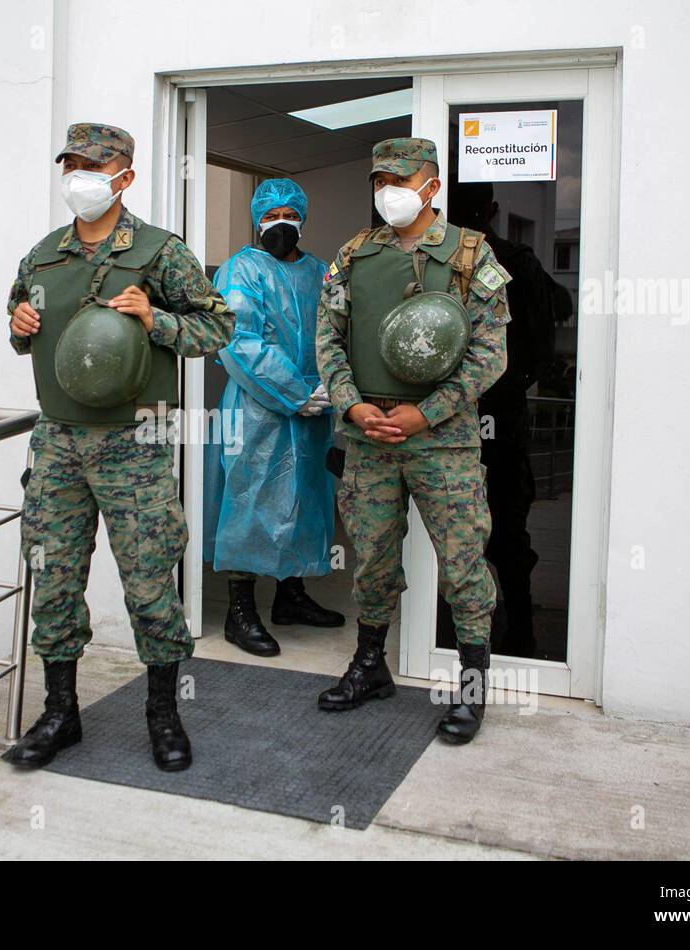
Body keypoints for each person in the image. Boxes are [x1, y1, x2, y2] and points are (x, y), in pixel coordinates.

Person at [5, 123, 234, 772]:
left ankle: (163, 715)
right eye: (71, 165)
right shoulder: (43, 256)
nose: (79, 177)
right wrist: (19, 325)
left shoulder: (160, 253)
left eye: (92, 166)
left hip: (135, 444)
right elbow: (20, 321)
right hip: (57, 445)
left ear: (124, 177)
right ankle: (60, 713)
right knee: (52, 577)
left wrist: (153, 319)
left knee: (148, 580)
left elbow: (217, 327)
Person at [315, 138, 511, 744]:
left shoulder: (470, 255)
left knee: (461, 561)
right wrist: (351, 403)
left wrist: (427, 414)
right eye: (379, 181)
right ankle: (370, 667)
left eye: (400, 181)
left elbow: (490, 354)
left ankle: (472, 689)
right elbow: (329, 340)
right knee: (372, 556)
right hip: (369, 436)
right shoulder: (353, 256)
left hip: (443, 441)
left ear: (431, 187)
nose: (387, 193)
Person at [203, 178, 343, 657]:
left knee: (307, 496)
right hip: (257, 407)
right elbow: (241, 343)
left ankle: (292, 596)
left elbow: (335, 333)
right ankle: (239, 612)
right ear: (256, 218)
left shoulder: (320, 272)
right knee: (251, 499)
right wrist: (295, 392)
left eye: (288, 213)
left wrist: (325, 391)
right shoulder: (241, 270)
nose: (279, 223)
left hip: (316, 405)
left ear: (302, 218)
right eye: (270, 214)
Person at [448, 181, 557, 657]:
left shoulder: (512, 261)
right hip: (455, 416)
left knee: (501, 526)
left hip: (483, 414)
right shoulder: (433, 258)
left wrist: (498, 388)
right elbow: (542, 349)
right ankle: (501, 626)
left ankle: (516, 626)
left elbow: (539, 342)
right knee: (470, 526)